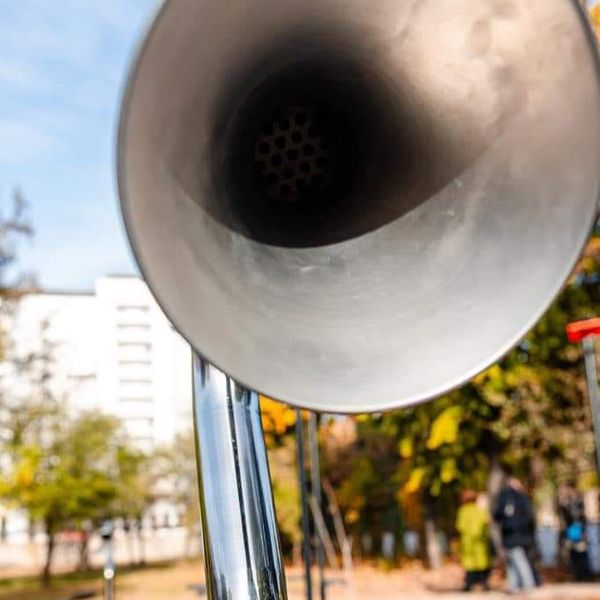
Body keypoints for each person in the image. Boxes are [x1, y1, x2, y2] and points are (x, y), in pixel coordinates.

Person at [493, 476, 538, 594]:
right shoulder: (522, 497)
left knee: (517, 558)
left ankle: (528, 584)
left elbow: (497, 515)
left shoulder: (505, 497)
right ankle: (514, 585)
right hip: (521, 534)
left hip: (511, 534)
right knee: (512, 560)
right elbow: (530, 517)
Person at [456, 489, 491, 591]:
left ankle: (468, 585)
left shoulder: (462, 511)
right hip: (480, 541)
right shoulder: (480, 510)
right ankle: (484, 584)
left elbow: (460, 526)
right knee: (482, 563)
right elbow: (486, 522)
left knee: (469, 565)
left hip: (468, 542)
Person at [559, 483, 591, 582]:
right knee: (574, 555)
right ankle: (577, 575)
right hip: (571, 532)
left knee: (581, 554)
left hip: (577, 531)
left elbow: (577, 518)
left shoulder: (576, 502)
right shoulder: (565, 503)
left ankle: (584, 576)